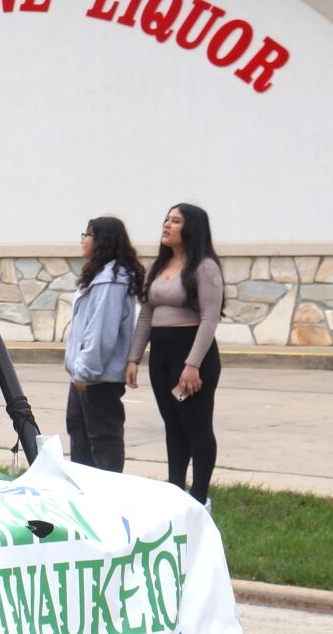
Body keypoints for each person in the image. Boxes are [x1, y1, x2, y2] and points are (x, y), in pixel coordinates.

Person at [126, 202, 224, 504]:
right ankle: (176, 490)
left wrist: (192, 364)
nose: (166, 225)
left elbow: (209, 318)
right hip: (162, 355)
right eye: (166, 219)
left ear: (191, 228)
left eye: (175, 221)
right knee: (173, 425)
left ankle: (199, 498)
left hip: (192, 355)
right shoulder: (159, 266)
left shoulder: (204, 267)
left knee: (196, 426)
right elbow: (146, 315)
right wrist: (134, 358)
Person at [64, 216, 145, 472]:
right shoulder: (100, 274)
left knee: (102, 439)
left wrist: (85, 371)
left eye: (87, 235)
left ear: (101, 241)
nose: (83, 240)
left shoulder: (111, 280)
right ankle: (84, 492)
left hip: (97, 377)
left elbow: (101, 332)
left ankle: (107, 495)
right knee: (79, 432)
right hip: (85, 373)